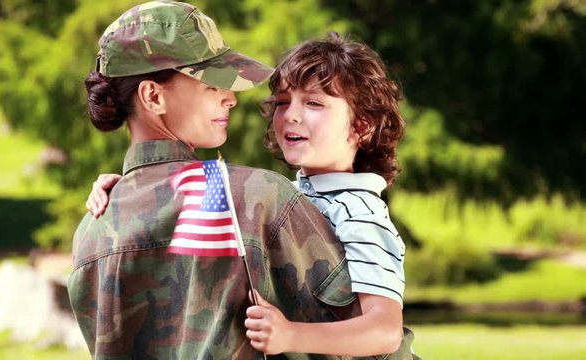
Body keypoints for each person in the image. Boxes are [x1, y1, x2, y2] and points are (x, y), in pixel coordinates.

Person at [68, 1, 368, 359]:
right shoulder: (257, 199)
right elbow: (369, 343)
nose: (231, 98)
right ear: (153, 96)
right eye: (211, 84)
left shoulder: (92, 230)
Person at [243, 32, 417, 357]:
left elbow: (384, 330)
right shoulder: (289, 198)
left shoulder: (357, 212)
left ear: (361, 127)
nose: (291, 115)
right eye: (283, 102)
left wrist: (290, 336)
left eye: (313, 103)